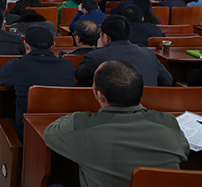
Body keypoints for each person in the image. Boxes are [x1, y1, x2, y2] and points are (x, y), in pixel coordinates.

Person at [45, 60, 189, 187]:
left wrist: (75, 116)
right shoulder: (168, 122)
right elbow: (185, 150)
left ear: (100, 96)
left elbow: (50, 133)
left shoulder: (82, 127)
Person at [0, 27, 75, 139]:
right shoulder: (68, 65)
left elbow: (4, 78)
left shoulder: (18, 65)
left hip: (27, 131)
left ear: (26, 45)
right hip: (63, 130)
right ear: (53, 46)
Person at [75, 15, 172, 87]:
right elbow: (168, 80)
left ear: (106, 37)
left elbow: (80, 77)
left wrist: (99, 49)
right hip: (150, 105)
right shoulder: (148, 53)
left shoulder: (96, 56)